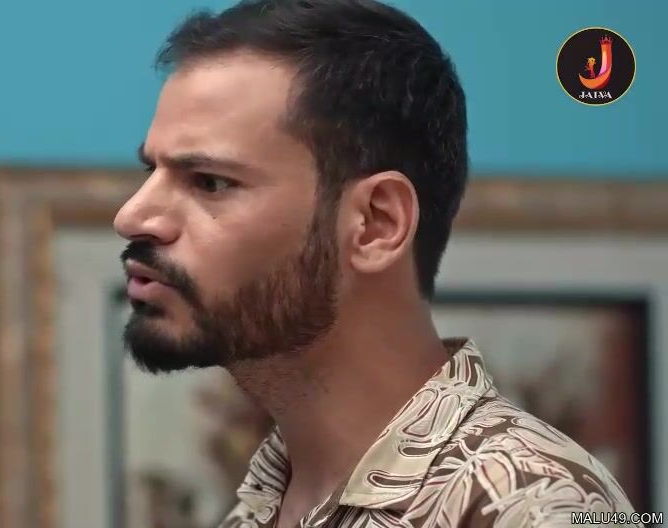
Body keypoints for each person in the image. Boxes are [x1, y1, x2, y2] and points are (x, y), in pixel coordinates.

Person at [112, 0, 637, 526]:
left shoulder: (535, 506)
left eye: (209, 182)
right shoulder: (260, 508)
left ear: (376, 223)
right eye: (150, 171)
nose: (131, 216)